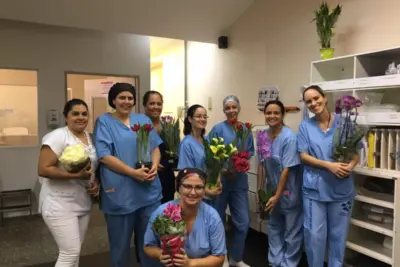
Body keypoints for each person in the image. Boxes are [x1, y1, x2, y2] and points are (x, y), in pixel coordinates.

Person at [93, 83, 163, 267]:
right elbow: (105, 156)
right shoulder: (104, 122)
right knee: (120, 246)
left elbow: (155, 148)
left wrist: (154, 166)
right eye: (121, 98)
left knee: (151, 243)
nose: (126, 101)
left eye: (130, 98)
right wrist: (133, 173)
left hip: (148, 191)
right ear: (113, 100)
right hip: (120, 194)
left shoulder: (143, 120)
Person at [298, 85, 358, 267]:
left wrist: (350, 166)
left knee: (338, 236)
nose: (313, 103)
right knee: (314, 236)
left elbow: (355, 154)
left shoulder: (345, 122)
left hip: (341, 188)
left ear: (324, 98)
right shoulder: (305, 127)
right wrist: (328, 165)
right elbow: (303, 155)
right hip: (315, 190)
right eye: (309, 101)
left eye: (316, 98)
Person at [37, 98, 99, 267]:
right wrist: (76, 175)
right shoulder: (58, 136)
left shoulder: (90, 137)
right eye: (75, 114)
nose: (81, 117)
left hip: (82, 203)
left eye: (84, 114)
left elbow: (92, 168)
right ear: (66, 117)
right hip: (59, 203)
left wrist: (94, 184)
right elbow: (43, 168)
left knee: (75, 252)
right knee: (69, 252)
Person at [144, 167, 226, 267]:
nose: (193, 192)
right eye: (187, 186)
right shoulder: (161, 212)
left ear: (205, 190)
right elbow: (148, 246)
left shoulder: (212, 217)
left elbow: (219, 258)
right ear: (179, 188)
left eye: (199, 187)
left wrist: (191, 263)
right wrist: (159, 254)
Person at [209, 95, 254, 267]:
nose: (231, 111)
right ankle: (222, 258)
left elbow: (249, 152)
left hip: (239, 182)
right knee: (217, 221)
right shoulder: (217, 129)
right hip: (220, 182)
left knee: (243, 222)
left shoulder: (245, 130)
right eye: (227, 108)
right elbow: (210, 155)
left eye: (234, 107)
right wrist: (222, 170)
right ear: (223, 110)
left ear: (239, 107)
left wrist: (239, 166)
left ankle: (236, 258)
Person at [259, 100, 303, 267]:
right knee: (274, 228)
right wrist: (260, 190)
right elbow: (262, 164)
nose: (272, 116)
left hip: (289, 192)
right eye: (268, 113)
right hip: (271, 193)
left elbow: (287, 169)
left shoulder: (290, 137)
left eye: (276, 113)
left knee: (292, 232)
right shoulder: (263, 136)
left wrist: (277, 195)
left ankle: (288, 264)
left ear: (282, 115)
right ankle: (274, 262)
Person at [177, 104, 222, 206]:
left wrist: (218, 182)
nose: (202, 119)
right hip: (196, 195)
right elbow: (187, 175)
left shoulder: (207, 140)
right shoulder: (186, 144)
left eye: (204, 116)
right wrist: (206, 190)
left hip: (212, 193)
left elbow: (216, 164)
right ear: (189, 118)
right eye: (198, 116)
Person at [143, 90, 176, 203]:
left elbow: (174, 150)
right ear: (145, 106)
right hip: (148, 175)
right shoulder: (140, 127)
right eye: (152, 103)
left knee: (166, 211)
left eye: (159, 103)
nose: (156, 107)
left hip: (167, 176)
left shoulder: (168, 126)